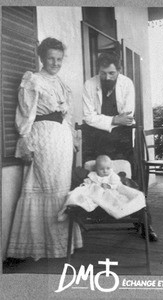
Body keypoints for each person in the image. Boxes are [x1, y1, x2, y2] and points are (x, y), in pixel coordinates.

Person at [6, 37, 82, 262]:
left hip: (62, 141)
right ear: (42, 57)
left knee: (60, 188)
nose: (55, 63)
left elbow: (67, 117)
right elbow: (25, 113)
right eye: (51, 58)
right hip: (43, 139)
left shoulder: (61, 84)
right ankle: (35, 246)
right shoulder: (33, 80)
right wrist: (25, 142)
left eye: (59, 59)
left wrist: (73, 139)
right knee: (42, 187)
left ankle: (60, 243)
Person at [82, 52, 158, 242]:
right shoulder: (89, 85)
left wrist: (104, 120)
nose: (107, 77)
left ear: (119, 70)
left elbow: (128, 116)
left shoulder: (127, 84)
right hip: (95, 139)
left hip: (121, 138)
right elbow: (88, 117)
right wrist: (115, 119)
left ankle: (144, 223)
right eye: (102, 73)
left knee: (129, 178)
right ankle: (85, 220)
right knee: (93, 176)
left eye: (111, 73)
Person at [58, 155, 146, 221]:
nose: (105, 171)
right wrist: (86, 184)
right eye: (101, 169)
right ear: (96, 169)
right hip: (97, 193)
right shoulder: (93, 175)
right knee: (79, 195)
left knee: (116, 199)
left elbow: (117, 185)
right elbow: (88, 182)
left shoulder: (112, 175)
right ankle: (70, 210)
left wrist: (109, 186)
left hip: (110, 192)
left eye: (108, 168)